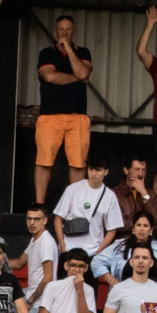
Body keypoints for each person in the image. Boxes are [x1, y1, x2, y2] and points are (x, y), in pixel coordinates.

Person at [32, 14, 94, 205]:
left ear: (73, 32)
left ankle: (76, 205)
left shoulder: (83, 52)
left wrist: (68, 48)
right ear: (55, 31)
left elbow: (84, 72)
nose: (64, 32)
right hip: (50, 116)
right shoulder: (46, 53)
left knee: (78, 163)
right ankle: (40, 204)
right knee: (44, 161)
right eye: (61, 29)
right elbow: (50, 77)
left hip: (77, 116)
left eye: (68, 29)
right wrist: (77, 78)